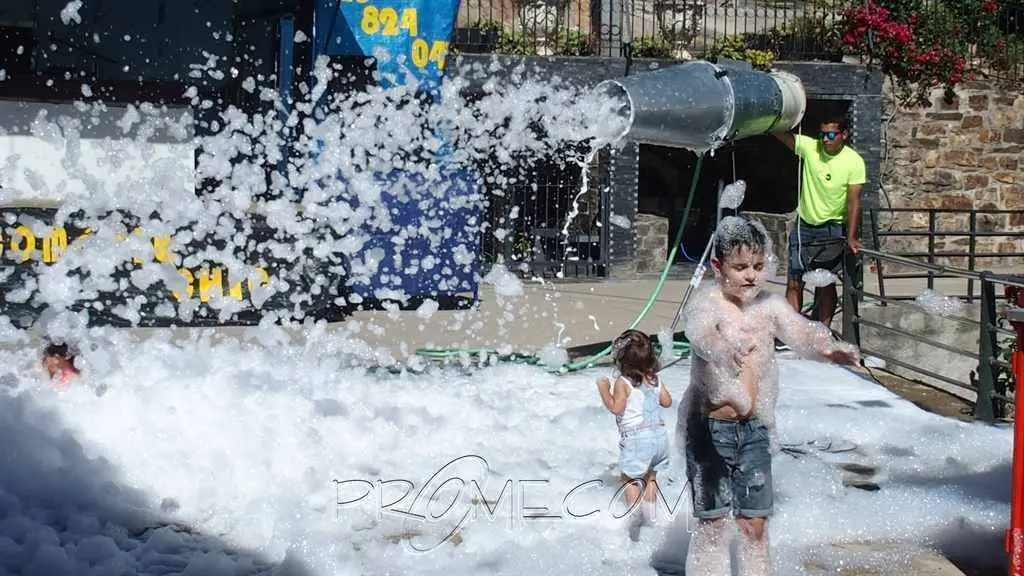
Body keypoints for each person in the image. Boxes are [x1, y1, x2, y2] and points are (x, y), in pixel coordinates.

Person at [679, 215, 860, 576]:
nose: (751, 275)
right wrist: (720, 348)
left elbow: (803, 334)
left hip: (755, 429)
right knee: (712, 525)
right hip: (708, 428)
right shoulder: (708, 302)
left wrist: (830, 350)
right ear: (718, 266)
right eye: (741, 267)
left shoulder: (770, 306)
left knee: (755, 525)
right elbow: (699, 334)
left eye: (759, 267)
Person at [773, 117, 867, 329]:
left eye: (831, 135)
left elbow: (854, 202)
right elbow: (780, 134)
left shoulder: (854, 162)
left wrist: (851, 237)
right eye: (822, 134)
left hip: (832, 227)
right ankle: (792, 332)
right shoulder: (811, 148)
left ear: (843, 135)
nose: (825, 139)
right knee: (795, 280)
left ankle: (821, 331)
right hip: (804, 225)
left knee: (824, 283)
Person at [595, 329, 673, 535]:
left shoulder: (623, 383)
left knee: (630, 479)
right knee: (651, 478)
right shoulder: (655, 379)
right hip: (659, 438)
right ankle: (651, 518)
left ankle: (635, 519)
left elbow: (616, 408)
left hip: (638, 439)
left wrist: (604, 388)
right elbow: (667, 402)